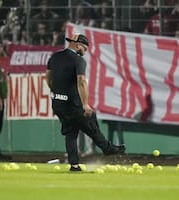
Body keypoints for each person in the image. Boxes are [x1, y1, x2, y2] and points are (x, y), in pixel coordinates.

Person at [46, 33, 126, 172]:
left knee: (70, 133)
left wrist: (56, 91)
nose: (85, 52)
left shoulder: (55, 56)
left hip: (58, 103)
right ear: (78, 45)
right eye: (85, 48)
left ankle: (74, 165)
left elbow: (48, 77)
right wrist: (85, 104)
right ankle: (107, 148)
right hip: (73, 104)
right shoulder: (78, 61)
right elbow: (81, 81)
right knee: (90, 121)